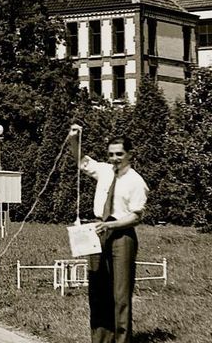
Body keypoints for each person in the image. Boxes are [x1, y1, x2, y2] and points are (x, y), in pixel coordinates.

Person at [77, 131, 149, 343]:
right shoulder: (105, 171)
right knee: (98, 290)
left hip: (121, 235)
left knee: (120, 294)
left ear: (129, 154)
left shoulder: (136, 181)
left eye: (119, 154)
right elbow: (81, 161)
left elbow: (136, 217)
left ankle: (121, 339)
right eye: (111, 154)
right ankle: (101, 339)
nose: (114, 158)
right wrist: (74, 140)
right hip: (98, 233)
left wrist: (111, 225)